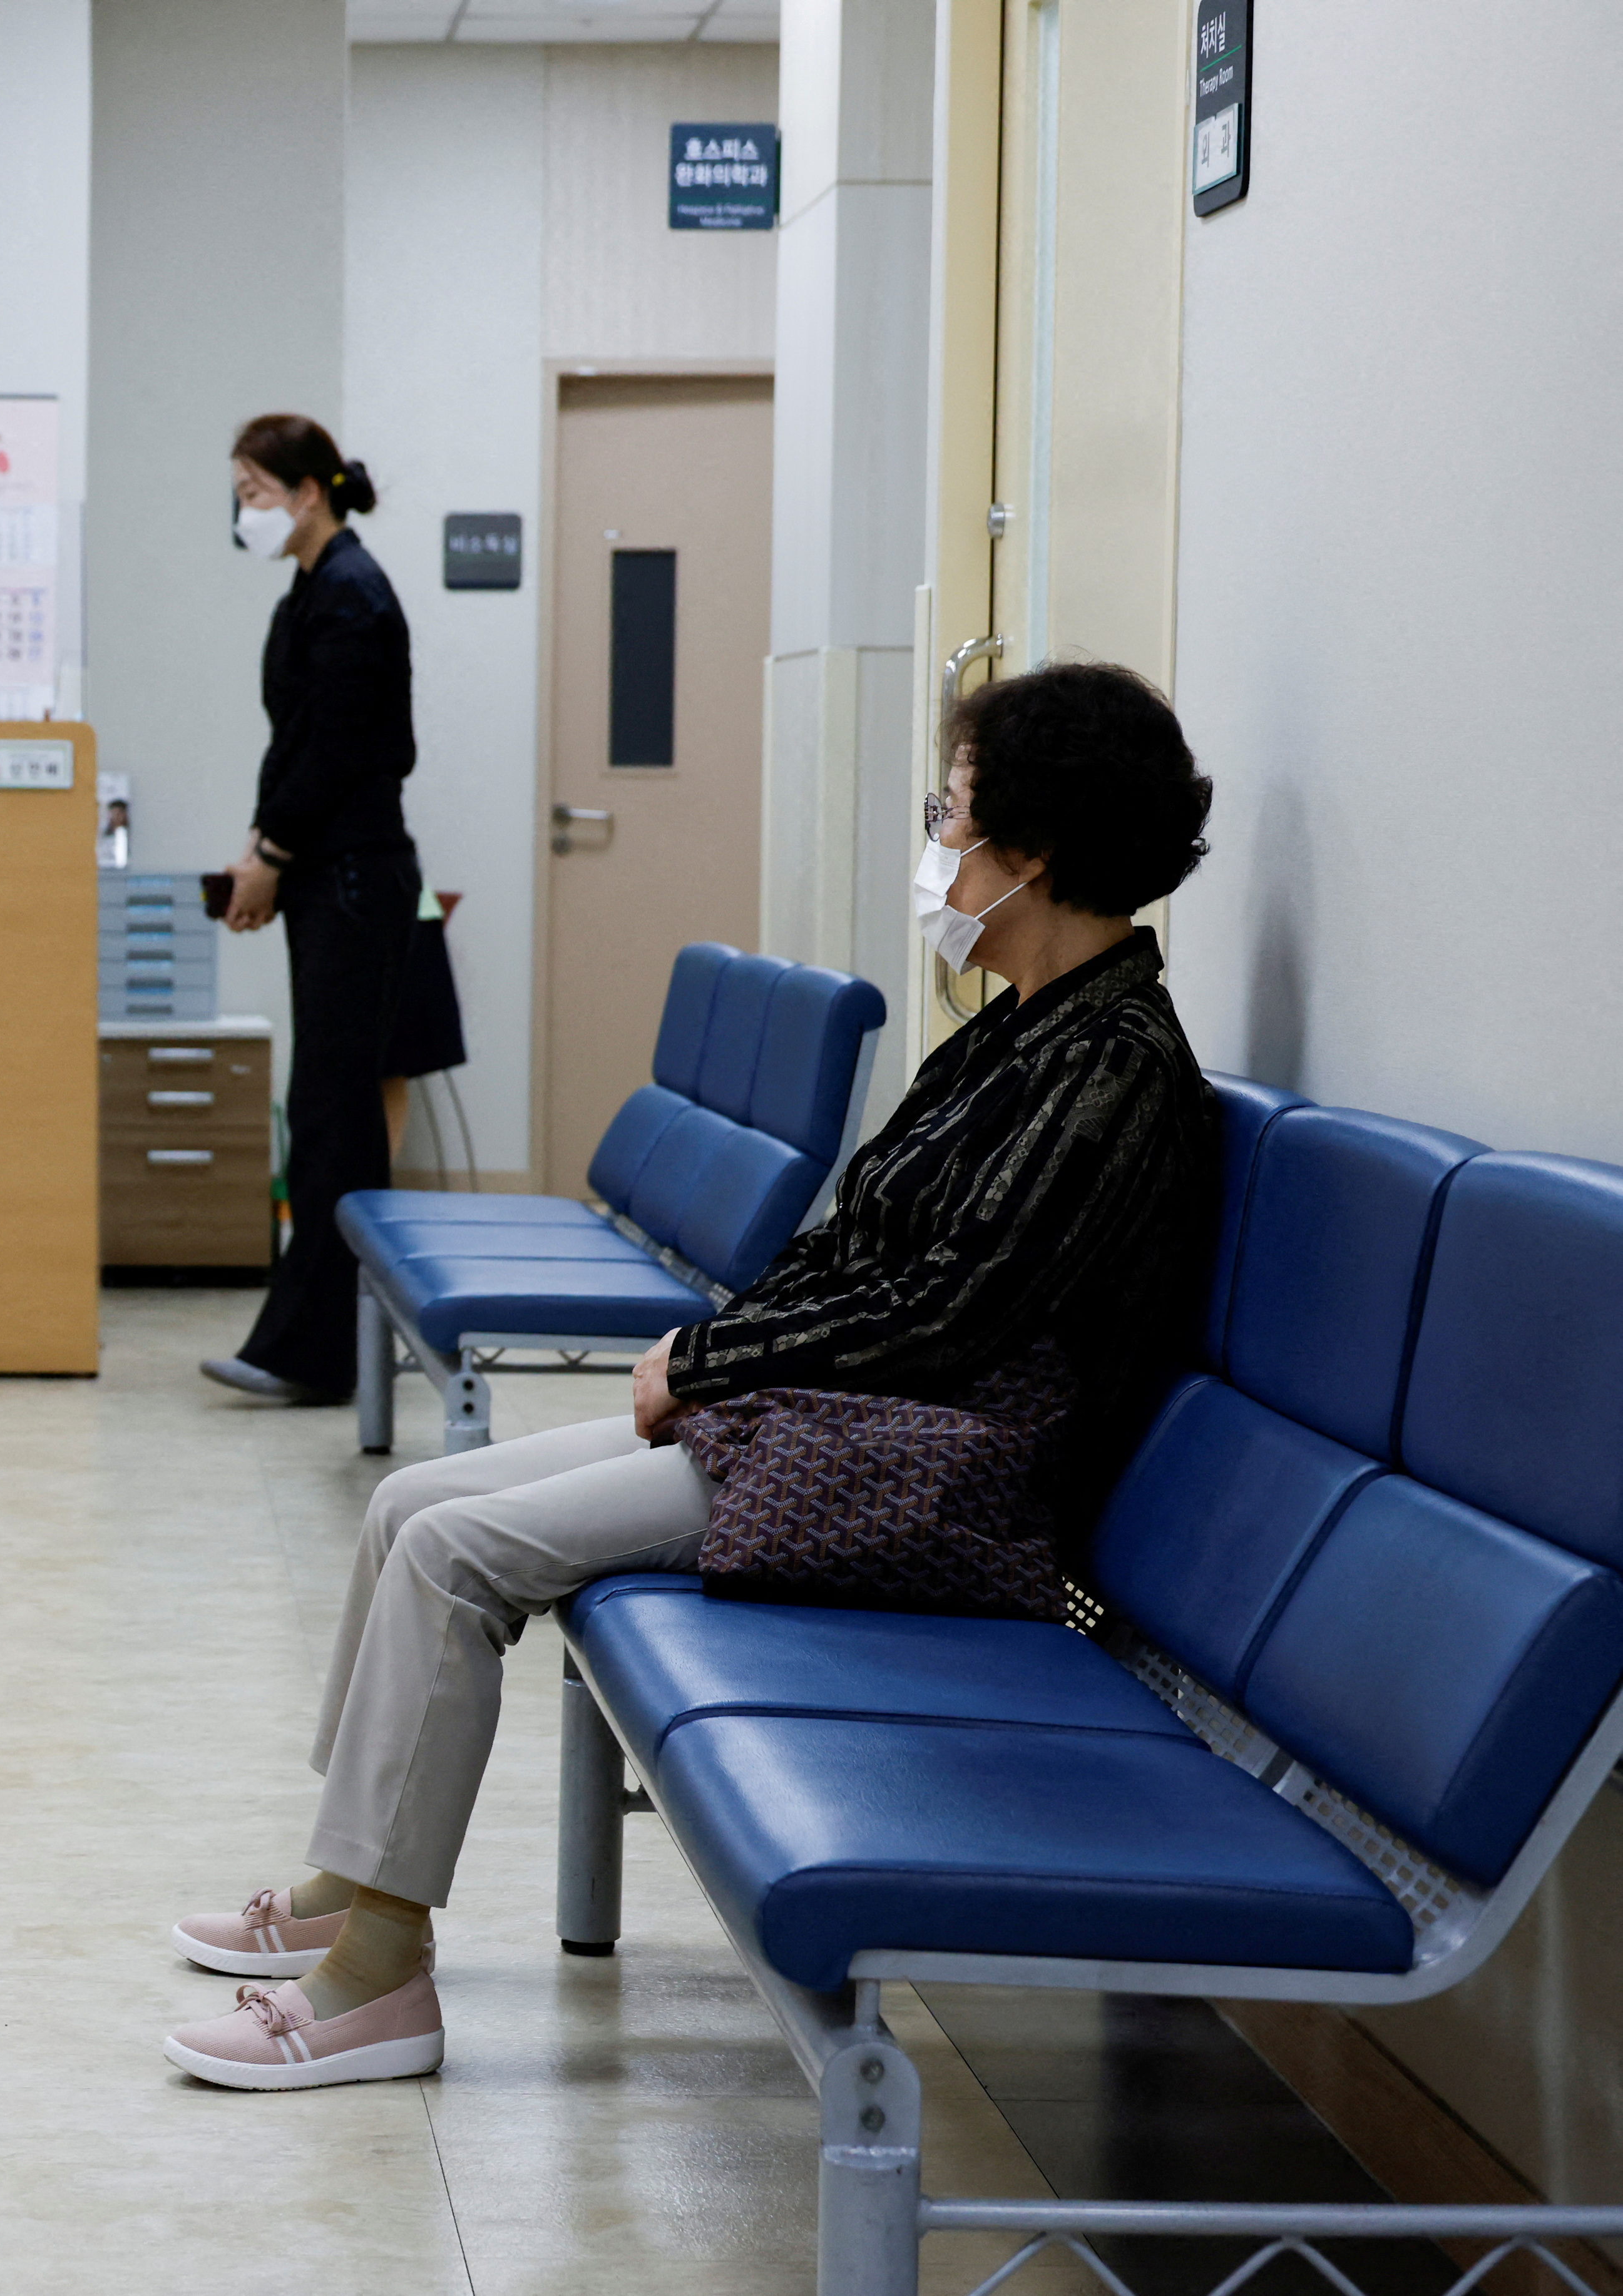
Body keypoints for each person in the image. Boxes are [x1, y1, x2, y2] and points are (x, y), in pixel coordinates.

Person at [160, 662, 1220, 2090]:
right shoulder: (1019, 1033)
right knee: (410, 1504)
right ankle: (348, 1885)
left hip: (924, 1484)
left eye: (949, 814)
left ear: (1027, 852)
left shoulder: (1115, 1066)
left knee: (455, 1558)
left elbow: (949, 1311)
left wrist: (713, 1361)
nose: (934, 844)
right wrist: (711, 1360)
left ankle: (376, 1981)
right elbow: (858, 1249)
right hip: (833, 1425)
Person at [198, 414, 422, 1407]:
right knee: (326, 1110)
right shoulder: (315, 587)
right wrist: (260, 852)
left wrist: (275, 853)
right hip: (323, 874)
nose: (242, 512)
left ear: (308, 490)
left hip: (352, 878)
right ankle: (331, 1345)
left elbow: (339, 751)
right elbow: (291, 744)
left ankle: (320, 1351)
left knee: (332, 1115)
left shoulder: (352, 594)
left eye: (253, 491)